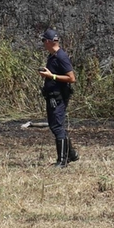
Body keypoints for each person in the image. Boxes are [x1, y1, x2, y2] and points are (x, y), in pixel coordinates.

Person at [39, 29, 79, 167]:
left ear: (49, 42)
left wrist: (52, 77)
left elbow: (71, 78)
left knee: (57, 126)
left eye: (44, 41)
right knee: (55, 125)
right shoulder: (52, 56)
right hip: (51, 96)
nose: (43, 44)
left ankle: (62, 160)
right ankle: (71, 153)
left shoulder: (61, 57)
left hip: (59, 96)